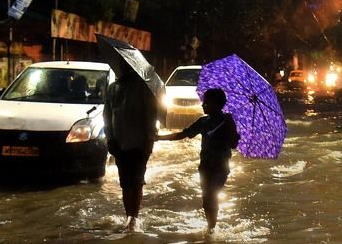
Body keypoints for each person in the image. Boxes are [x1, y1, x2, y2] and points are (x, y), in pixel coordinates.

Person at [156, 88, 240, 233]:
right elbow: (184, 134)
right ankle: (211, 227)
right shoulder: (203, 122)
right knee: (206, 200)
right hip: (205, 166)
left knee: (211, 195)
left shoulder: (227, 121)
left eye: (206, 102)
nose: (202, 105)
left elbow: (233, 145)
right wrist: (160, 138)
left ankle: (212, 228)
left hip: (220, 167)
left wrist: (232, 128)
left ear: (216, 104)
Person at [103, 65, 158, 231]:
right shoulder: (113, 89)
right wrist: (110, 139)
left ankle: (134, 217)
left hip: (139, 143)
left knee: (137, 182)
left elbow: (151, 116)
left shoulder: (143, 89)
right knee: (125, 183)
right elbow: (107, 115)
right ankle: (129, 217)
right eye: (122, 66)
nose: (123, 70)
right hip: (119, 143)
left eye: (127, 67)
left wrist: (149, 140)